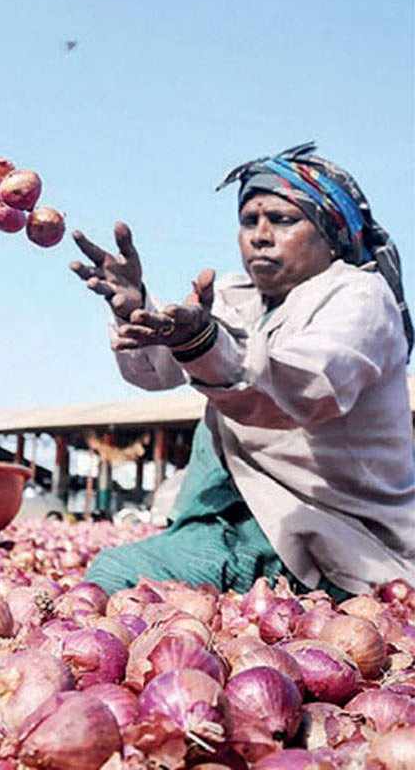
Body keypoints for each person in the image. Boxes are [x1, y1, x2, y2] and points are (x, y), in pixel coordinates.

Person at [71, 143, 414, 598]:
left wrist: (202, 342)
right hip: (244, 520)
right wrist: (134, 311)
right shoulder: (241, 299)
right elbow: (158, 372)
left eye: (282, 219)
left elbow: (308, 387)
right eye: (249, 221)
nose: (260, 235)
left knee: (117, 576)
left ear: (331, 232)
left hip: (325, 533)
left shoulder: (359, 297)